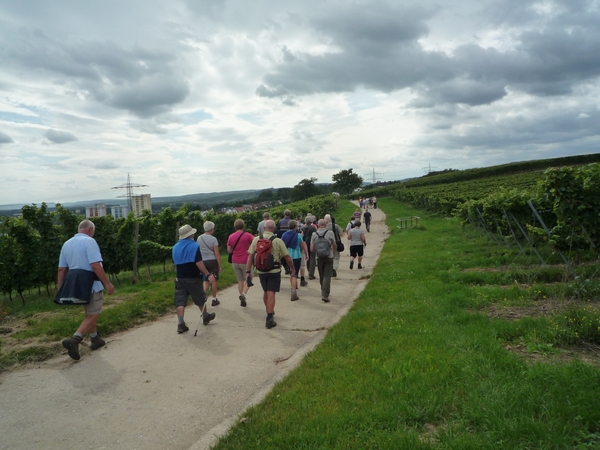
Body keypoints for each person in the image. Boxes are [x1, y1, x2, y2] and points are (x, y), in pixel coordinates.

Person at [57, 220, 115, 361]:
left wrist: (61, 288)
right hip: (91, 283)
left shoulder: (67, 244)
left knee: (89, 313)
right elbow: (95, 265)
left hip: (76, 284)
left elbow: (61, 269)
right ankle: (75, 339)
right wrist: (107, 283)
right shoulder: (90, 242)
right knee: (94, 314)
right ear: (90, 230)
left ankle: (95, 339)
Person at [245, 220, 295, 329]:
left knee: (266, 291)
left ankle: (268, 309)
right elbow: (287, 257)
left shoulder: (256, 239)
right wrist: (292, 268)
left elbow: (250, 256)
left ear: (264, 228)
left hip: (261, 271)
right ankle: (269, 318)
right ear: (273, 228)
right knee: (271, 292)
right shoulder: (277, 241)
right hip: (274, 270)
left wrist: (248, 271)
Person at [173, 224, 216, 333]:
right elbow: (199, 262)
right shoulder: (194, 246)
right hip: (193, 276)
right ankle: (205, 316)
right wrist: (207, 274)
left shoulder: (175, 247)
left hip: (180, 277)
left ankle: (180, 323)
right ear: (190, 234)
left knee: (180, 301)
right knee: (200, 297)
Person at [227, 219, 255, 307]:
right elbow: (255, 241)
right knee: (249, 279)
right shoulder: (247, 235)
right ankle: (243, 294)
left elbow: (229, 250)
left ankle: (241, 297)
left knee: (240, 280)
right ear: (243, 226)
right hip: (245, 260)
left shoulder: (231, 236)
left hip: (235, 261)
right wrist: (250, 250)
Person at [310, 219, 336, 303]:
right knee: (327, 276)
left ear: (318, 225)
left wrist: (318, 250)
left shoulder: (314, 234)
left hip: (319, 257)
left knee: (321, 275)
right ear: (326, 224)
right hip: (329, 256)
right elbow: (334, 244)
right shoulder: (330, 232)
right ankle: (325, 294)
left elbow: (312, 248)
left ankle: (323, 290)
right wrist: (333, 252)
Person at [281, 220, 308, 301]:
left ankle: (293, 286)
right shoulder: (298, 235)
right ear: (296, 226)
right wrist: (306, 253)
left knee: (291, 272)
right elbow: (302, 245)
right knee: (295, 274)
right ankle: (293, 292)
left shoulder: (284, 234)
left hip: (287, 255)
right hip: (296, 256)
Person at [197, 221, 222, 306]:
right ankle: (214, 299)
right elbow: (217, 253)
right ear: (211, 229)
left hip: (203, 261)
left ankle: (202, 297)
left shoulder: (199, 238)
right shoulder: (213, 239)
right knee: (214, 279)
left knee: (206, 279)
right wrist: (220, 265)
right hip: (212, 261)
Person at [301, 215, 317, 281]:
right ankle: (311, 274)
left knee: (307, 257)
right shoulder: (313, 228)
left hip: (304, 244)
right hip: (311, 244)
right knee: (312, 258)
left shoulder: (303, 228)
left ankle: (309, 270)